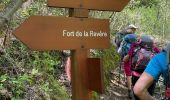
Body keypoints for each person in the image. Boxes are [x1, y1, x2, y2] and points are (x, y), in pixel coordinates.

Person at [123, 35, 160, 99]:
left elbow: (127, 58)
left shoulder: (135, 47)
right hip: (150, 77)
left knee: (137, 94)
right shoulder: (155, 49)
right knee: (149, 94)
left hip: (136, 75)